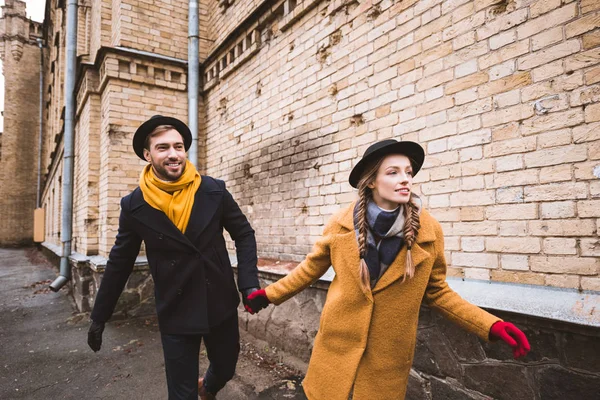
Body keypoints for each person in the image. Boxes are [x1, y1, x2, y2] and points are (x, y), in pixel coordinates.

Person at [246, 139, 530, 400]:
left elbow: (439, 292)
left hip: (387, 357)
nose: (405, 179)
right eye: (393, 172)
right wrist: (269, 295)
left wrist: (490, 325)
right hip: (336, 346)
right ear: (371, 181)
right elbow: (310, 269)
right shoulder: (340, 224)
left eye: (408, 172)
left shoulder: (429, 233)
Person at [87, 115, 262, 400]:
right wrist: (99, 316)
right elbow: (120, 262)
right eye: (163, 147)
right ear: (147, 154)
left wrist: (248, 283)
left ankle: (207, 387)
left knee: (227, 366)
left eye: (178, 147)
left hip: (218, 301)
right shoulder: (134, 205)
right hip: (175, 307)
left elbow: (244, 234)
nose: (173, 154)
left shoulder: (213, 190)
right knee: (180, 394)